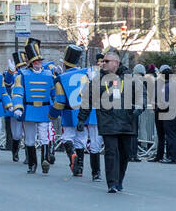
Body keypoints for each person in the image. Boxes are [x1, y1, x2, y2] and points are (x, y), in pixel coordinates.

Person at [77, 52, 137, 193]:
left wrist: (139, 108)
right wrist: (81, 119)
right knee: (111, 152)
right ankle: (112, 183)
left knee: (124, 153)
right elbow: (87, 99)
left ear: (116, 63)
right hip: (107, 121)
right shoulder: (97, 80)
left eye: (106, 61)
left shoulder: (130, 78)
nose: (103, 63)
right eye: (102, 61)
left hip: (126, 121)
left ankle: (119, 179)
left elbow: (142, 95)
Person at [49, 44, 102, 180]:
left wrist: (52, 115)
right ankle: (89, 171)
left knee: (68, 138)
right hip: (89, 112)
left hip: (69, 113)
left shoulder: (62, 78)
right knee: (86, 141)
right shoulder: (89, 73)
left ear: (65, 64)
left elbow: (60, 100)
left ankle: (74, 161)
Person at [12, 43, 55, 175]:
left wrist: (57, 106)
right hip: (29, 110)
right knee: (30, 139)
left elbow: (54, 92)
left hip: (44, 109)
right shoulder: (22, 75)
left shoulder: (50, 75)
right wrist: (18, 107)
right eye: (36, 60)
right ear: (31, 62)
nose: (39, 62)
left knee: (44, 137)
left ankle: (44, 160)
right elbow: (18, 92)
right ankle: (32, 164)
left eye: (40, 60)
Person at [154, 65, 176, 164]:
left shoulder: (166, 86)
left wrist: (157, 108)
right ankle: (173, 156)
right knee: (174, 135)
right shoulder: (175, 85)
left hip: (169, 113)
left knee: (171, 136)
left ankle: (172, 157)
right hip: (175, 111)